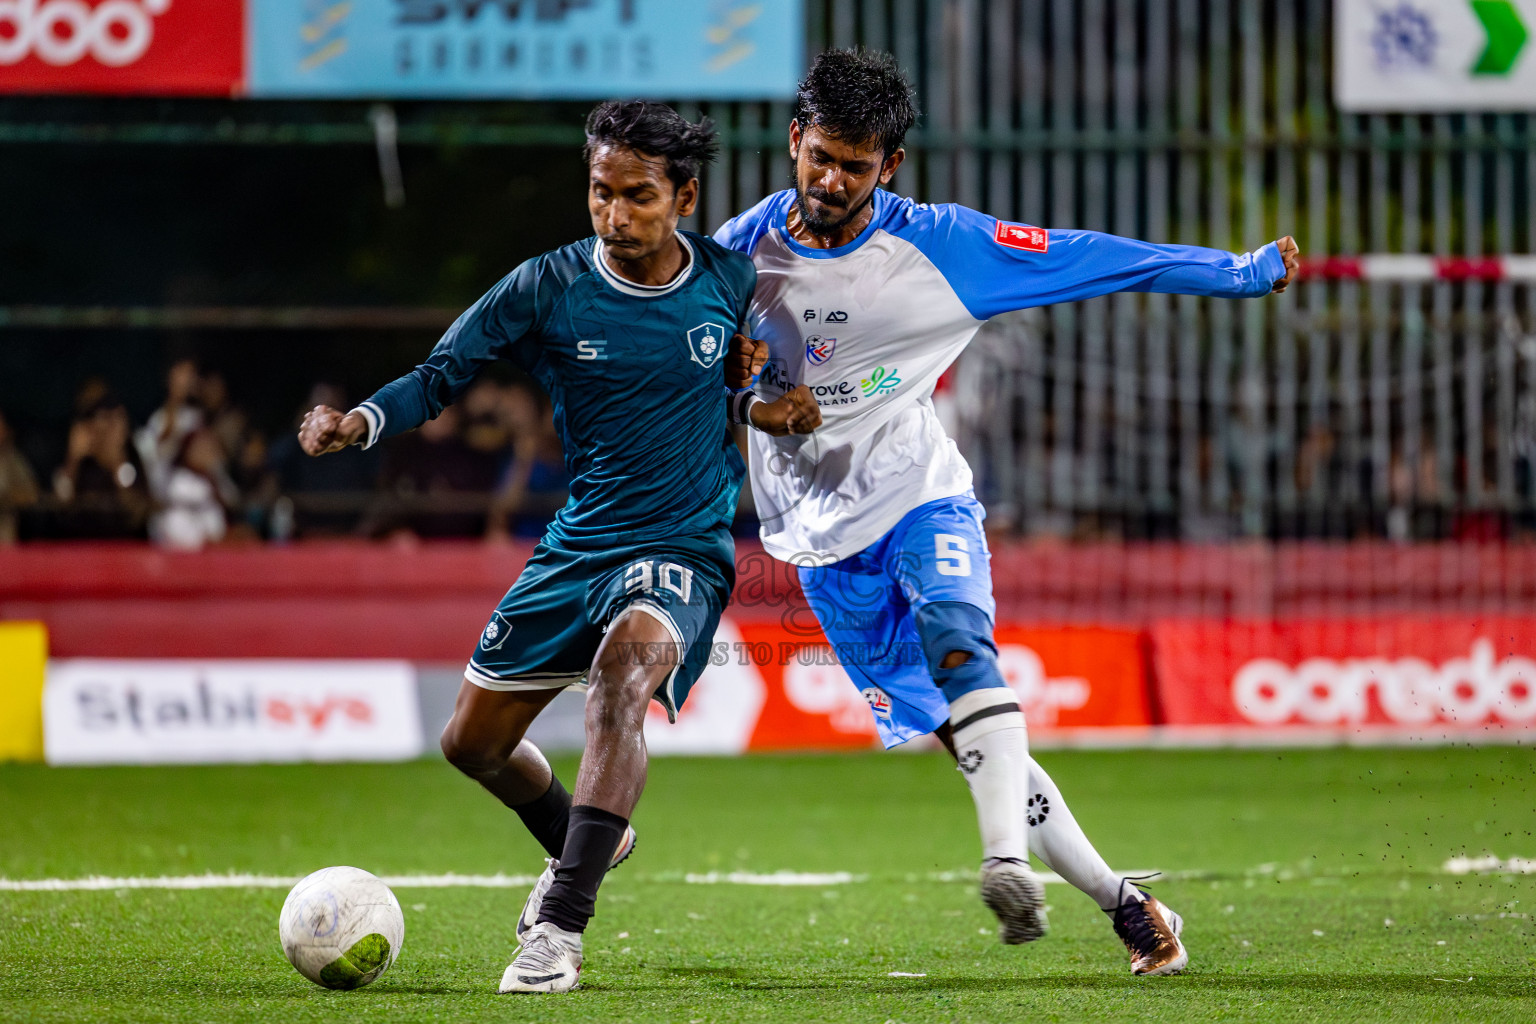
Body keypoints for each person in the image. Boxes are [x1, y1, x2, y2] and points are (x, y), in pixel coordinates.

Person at [715, 49, 1300, 977]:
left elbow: (1095, 259)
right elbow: (686, 376)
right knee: (976, 750)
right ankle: (1124, 902)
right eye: (819, 155)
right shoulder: (735, 255)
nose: (831, 180)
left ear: (890, 167)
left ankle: (1003, 863)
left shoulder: (942, 248)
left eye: (855, 164)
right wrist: (745, 399)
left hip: (920, 494)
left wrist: (1232, 273)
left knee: (962, 646)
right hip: (819, 549)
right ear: (794, 139)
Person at [298, 99, 819, 994]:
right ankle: (593, 837)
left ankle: (557, 930)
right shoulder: (547, 285)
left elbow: (754, 378)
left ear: (684, 196)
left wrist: (770, 401)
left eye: (638, 197)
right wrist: (360, 423)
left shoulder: (735, 283)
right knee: (470, 744)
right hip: (579, 544)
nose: (615, 216)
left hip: (683, 547)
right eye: (600, 193)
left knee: (622, 682)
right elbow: (441, 375)